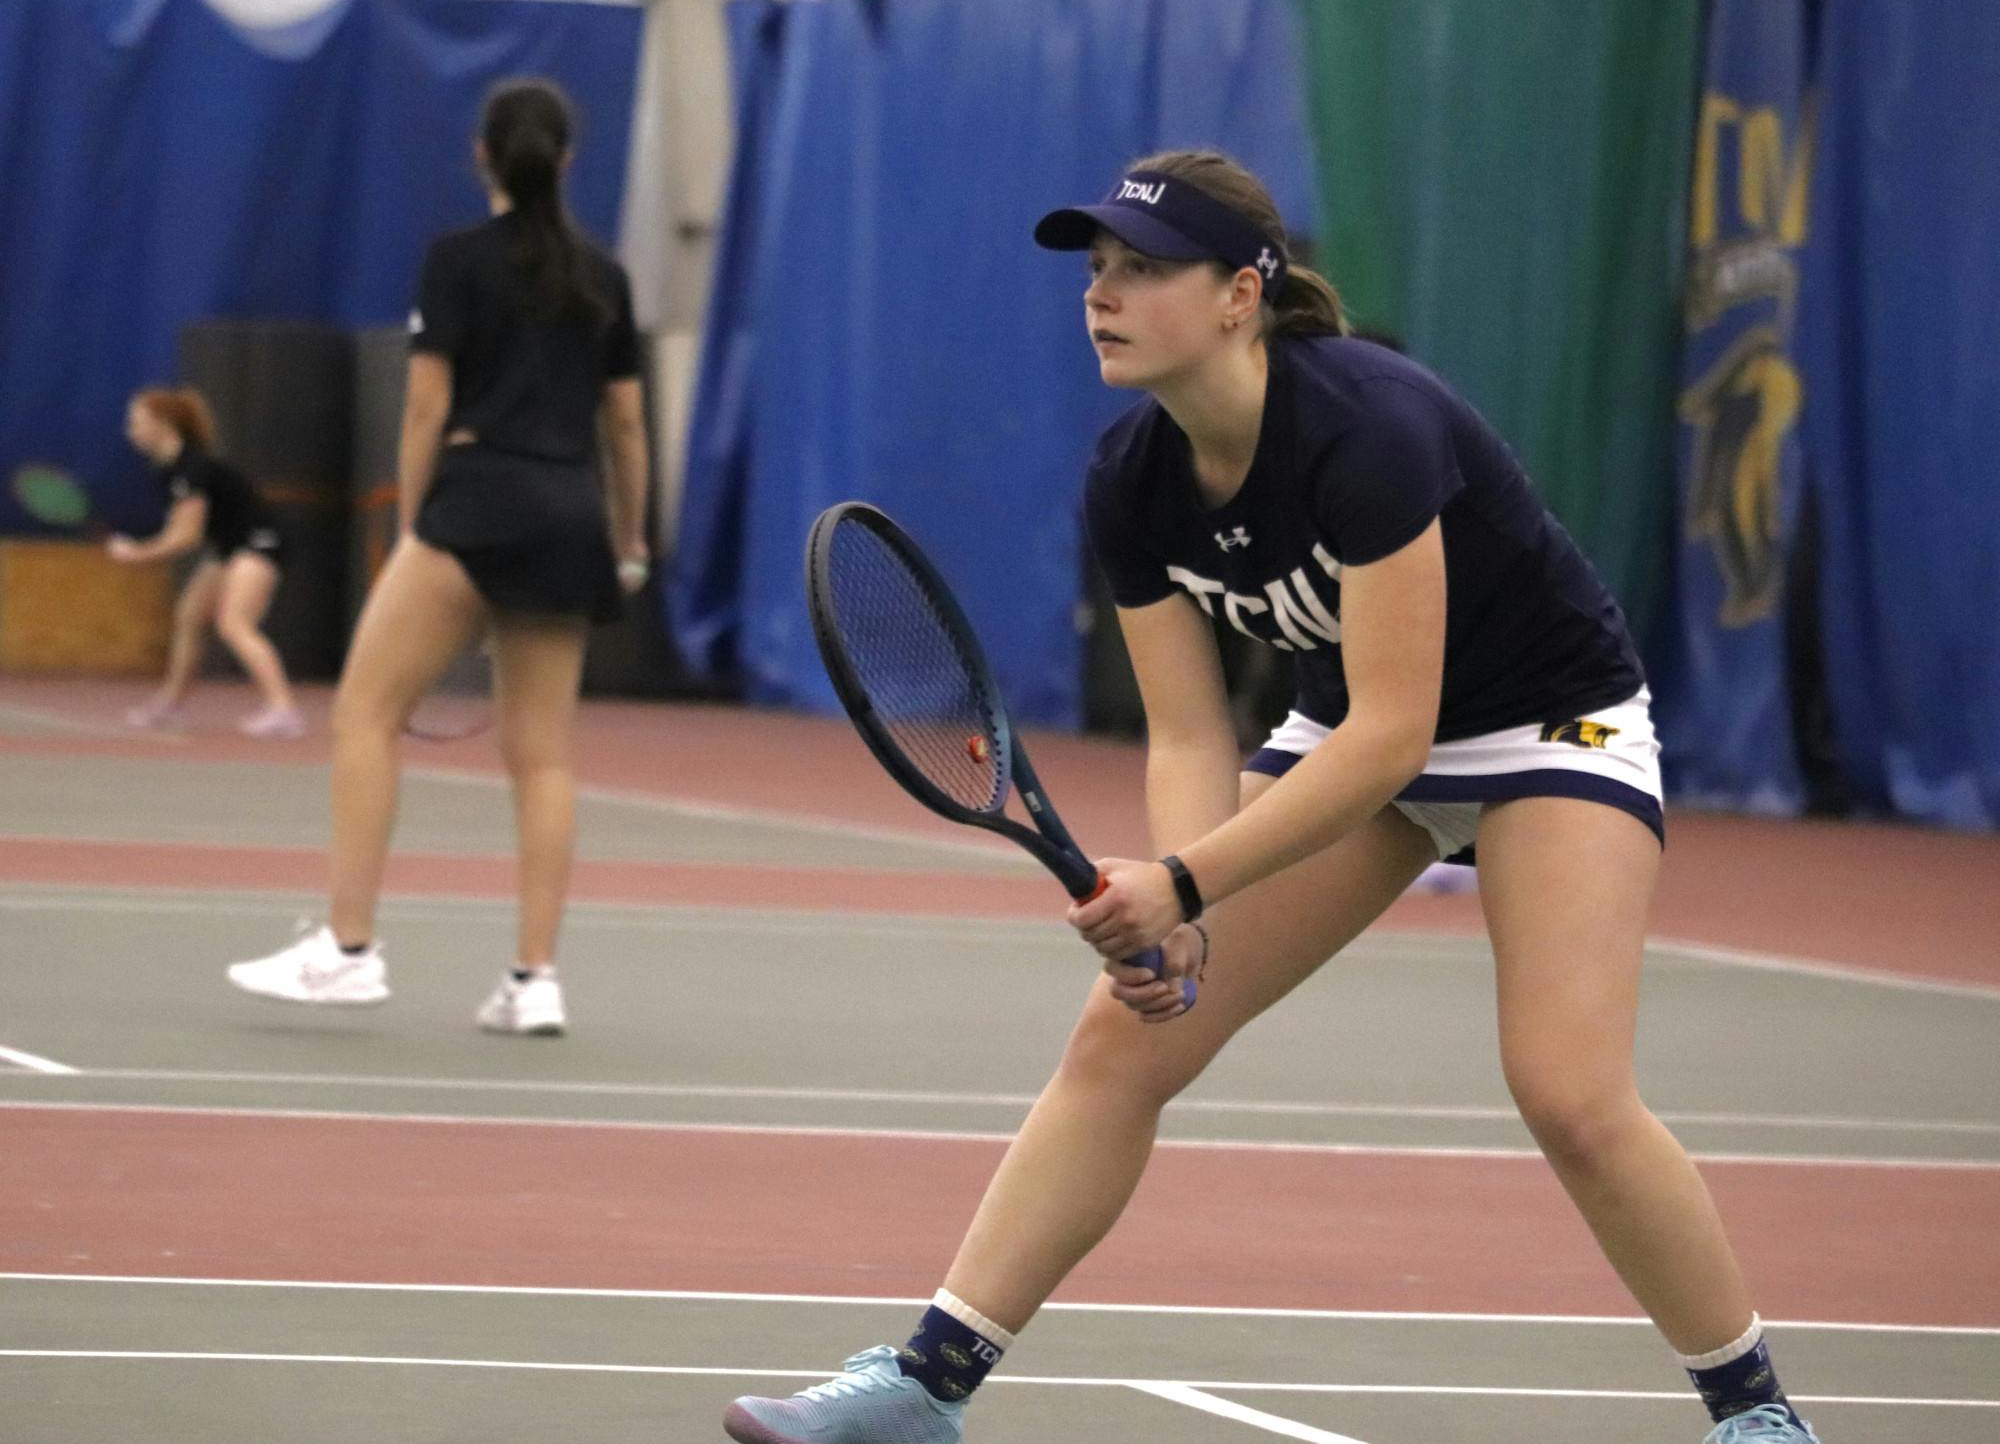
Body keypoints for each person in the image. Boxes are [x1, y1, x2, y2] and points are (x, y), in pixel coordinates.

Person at [723, 152, 1820, 1444]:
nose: (1103, 295)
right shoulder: (1130, 478)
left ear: (1243, 294)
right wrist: (1180, 906)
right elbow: (1190, 728)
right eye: (1096, 270)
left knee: (1569, 1093)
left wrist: (1187, 883)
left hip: (1545, 723)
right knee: (1123, 1038)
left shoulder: (1371, 429)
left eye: (1143, 269)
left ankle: (1757, 1419)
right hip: (1349, 727)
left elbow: (1397, 733)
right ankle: (922, 1389)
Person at [225, 77, 651, 1035]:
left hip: (477, 501)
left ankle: (346, 949)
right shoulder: (604, 276)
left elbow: (423, 407)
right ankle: (535, 979)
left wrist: (417, 523)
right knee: (543, 760)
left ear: (482, 158)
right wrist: (629, 538)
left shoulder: (454, 262)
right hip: (566, 514)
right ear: (568, 163)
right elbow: (624, 424)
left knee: (365, 716)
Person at [112, 386, 305, 739]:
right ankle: (171, 705)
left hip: (259, 542)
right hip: (229, 547)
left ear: (163, 423)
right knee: (189, 616)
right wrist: (143, 550)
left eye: (136, 421)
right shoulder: (168, 471)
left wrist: (137, 553)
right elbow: (180, 531)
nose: (130, 430)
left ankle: (284, 709)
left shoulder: (192, 469)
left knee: (234, 622)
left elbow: (185, 537)